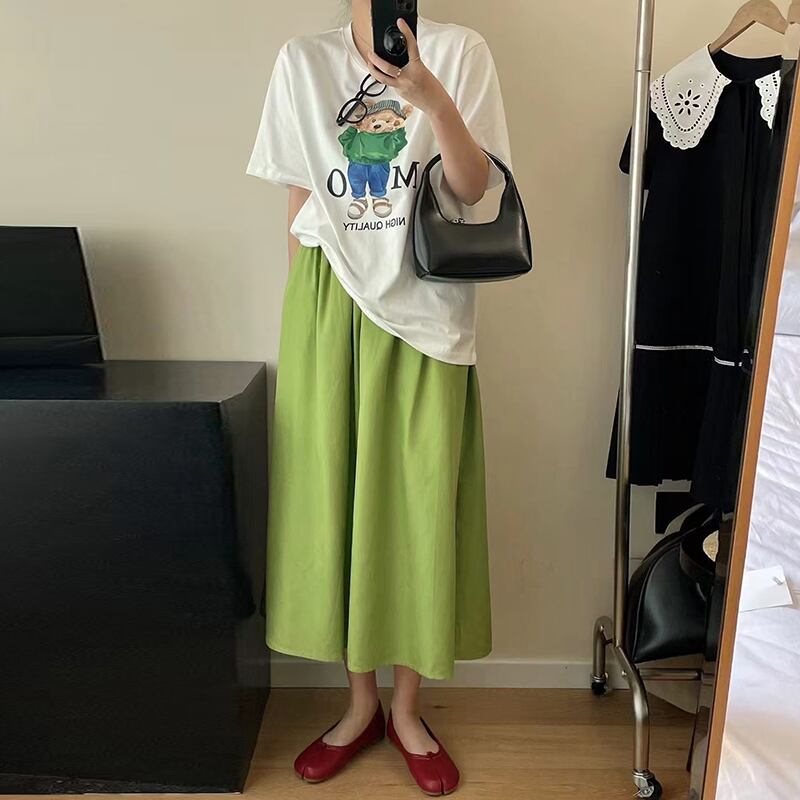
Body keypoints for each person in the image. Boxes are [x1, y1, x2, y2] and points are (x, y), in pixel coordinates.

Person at [246, 1, 512, 794]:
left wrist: (430, 98)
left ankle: (407, 710)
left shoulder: (461, 53)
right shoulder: (302, 61)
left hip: (427, 305)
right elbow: (299, 199)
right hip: (330, 306)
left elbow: (476, 190)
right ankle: (359, 706)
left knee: (418, 505)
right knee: (340, 503)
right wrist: (301, 327)